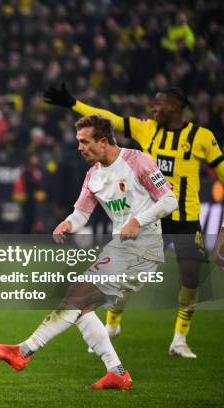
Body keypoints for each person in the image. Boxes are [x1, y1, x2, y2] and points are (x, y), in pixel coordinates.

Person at [0, 115, 177, 390]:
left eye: (85, 142)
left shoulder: (138, 161)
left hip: (144, 245)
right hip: (120, 247)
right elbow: (82, 213)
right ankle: (116, 372)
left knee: (77, 294)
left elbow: (170, 200)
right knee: (82, 307)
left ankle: (23, 351)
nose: (80, 147)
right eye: (78, 142)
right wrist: (68, 223)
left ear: (104, 141)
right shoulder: (93, 174)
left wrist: (138, 220)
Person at [44, 83, 224, 358]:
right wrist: (73, 104)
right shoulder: (147, 129)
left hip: (185, 218)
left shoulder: (202, 137)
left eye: (159, 104)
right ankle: (112, 325)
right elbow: (109, 118)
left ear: (175, 107)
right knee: (129, 274)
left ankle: (179, 339)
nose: (153, 109)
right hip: (148, 217)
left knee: (191, 276)